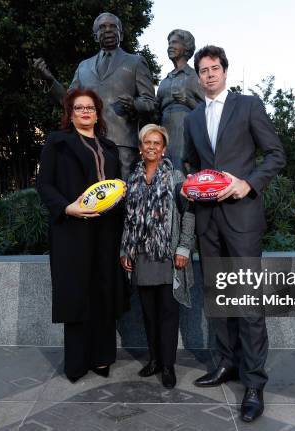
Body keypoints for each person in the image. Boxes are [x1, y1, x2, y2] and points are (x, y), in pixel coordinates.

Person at [182, 46, 286, 422]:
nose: (209, 75)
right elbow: (190, 162)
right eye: (203, 70)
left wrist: (249, 183)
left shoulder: (248, 106)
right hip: (208, 221)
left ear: (225, 72)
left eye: (215, 69)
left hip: (242, 217)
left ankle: (254, 381)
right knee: (217, 294)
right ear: (198, 77)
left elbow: (275, 154)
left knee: (248, 299)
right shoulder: (193, 118)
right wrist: (191, 184)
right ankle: (226, 363)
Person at [36, 88, 129, 383]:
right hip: (72, 228)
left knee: (103, 291)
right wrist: (66, 208)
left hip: (107, 230)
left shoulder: (109, 146)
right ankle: (76, 362)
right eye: (79, 108)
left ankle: (102, 357)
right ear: (71, 113)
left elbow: (116, 185)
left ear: (97, 112)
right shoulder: (58, 142)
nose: (85, 112)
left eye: (90, 107)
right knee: (77, 293)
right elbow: (44, 184)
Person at [34, 12, 156, 180]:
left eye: (113, 26)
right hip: (88, 141)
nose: (108, 30)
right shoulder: (84, 66)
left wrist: (134, 104)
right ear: (95, 35)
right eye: (102, 27)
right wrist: (50, 80)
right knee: (92, 196)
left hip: (122, 143)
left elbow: (150, 102)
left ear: (121, 32)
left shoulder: (135, 62)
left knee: (123, 195)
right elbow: (69, 102)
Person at [120, 124, 195, 389]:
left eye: (157, 143)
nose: (151, 147)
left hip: (168, 256)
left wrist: (184, 247)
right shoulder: (133, 179)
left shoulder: (176, 177)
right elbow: (128, 219)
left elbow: (188, 212)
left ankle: (168, 366)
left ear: (163, 149)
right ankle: (153, 360)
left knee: (167, 314)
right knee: (148, 314)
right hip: (142, 255)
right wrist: (125, 249)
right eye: (147, 143)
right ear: (140, 149)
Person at [156, 29, 204, 172]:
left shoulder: (195, 77)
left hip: (184, 132)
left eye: (175, 42)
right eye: (169, 43)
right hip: (164, 131)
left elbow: (209, 111)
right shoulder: (165, 81)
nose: (170, 46)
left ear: (186, 47)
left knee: (180, 171)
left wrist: (188, 101)